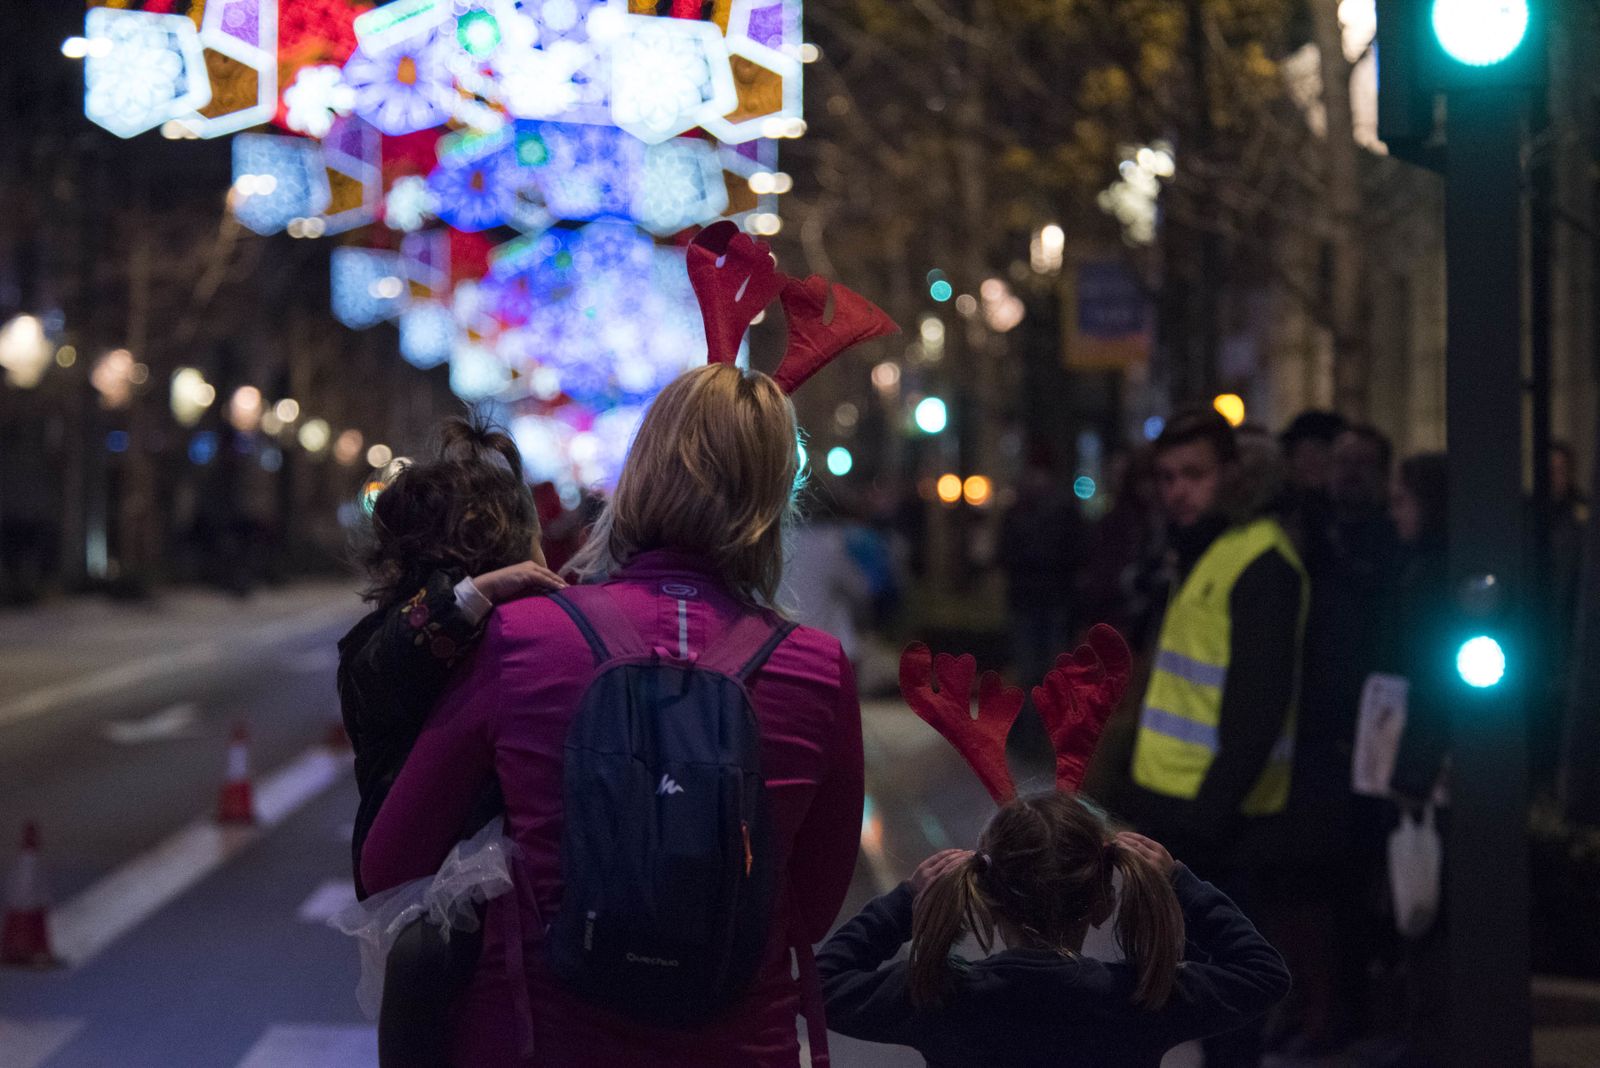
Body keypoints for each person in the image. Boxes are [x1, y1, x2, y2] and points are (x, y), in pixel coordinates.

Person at [360, 364, 865, 1066]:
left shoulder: (525, 638)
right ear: (774, 499)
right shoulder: (816, 671)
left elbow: (390, 862)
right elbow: (809, 909)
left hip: (536, 1039)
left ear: (641, 471)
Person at [338, 417, 566, 1068]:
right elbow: (383, 668)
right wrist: (475, 596)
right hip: (426, 903)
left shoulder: (518, 632)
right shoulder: (389, 642)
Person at [817, 792, 1291, 1067]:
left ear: (987, 895)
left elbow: (818, 988)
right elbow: (1263, 974)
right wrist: (1180, 884)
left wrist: (905, 903)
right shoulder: (1144, 998)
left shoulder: (939, 994)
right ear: (1102, 903)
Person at [1126, 407, 1307, 1067]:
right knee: (1196, 993)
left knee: (1226, 1005)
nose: (1178, 490)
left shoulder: (1260, 563)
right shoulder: (1205, 551)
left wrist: (1205, 819)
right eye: (1168, 477)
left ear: (1231, 475)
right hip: (1185, 812)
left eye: (1194, 475)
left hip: (1225, 821)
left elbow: (1258, 711)